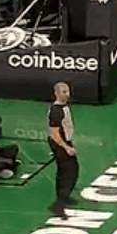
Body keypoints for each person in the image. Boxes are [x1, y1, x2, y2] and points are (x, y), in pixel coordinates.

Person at [48, 82, 78, 219]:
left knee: (71, 170)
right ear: (56, 93)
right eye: (64, 92)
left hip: (65, 142)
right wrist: (66, 147)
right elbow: (54, 133)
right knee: (67, 173)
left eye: (67, 91)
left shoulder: (64, 107)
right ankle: (58, 206)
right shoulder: (56, 111)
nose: (67, 94)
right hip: (60, 144)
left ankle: (65, 197)